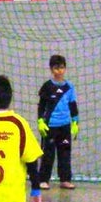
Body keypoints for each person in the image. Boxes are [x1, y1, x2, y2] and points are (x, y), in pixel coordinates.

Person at [35, 54, 79, 190]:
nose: (59, 71)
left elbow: (73, 105)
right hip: (50, 126)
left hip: (65, 126)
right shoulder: (47, 86)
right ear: (51, 69)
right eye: (56, 68)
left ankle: (65, 179)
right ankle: (43, 179)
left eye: (61, 68)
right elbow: (41, 106)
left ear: (65, 69)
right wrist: (41, 121)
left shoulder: (69, 87)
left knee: (65, 152)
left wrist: (75, 122)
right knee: (48, 154)